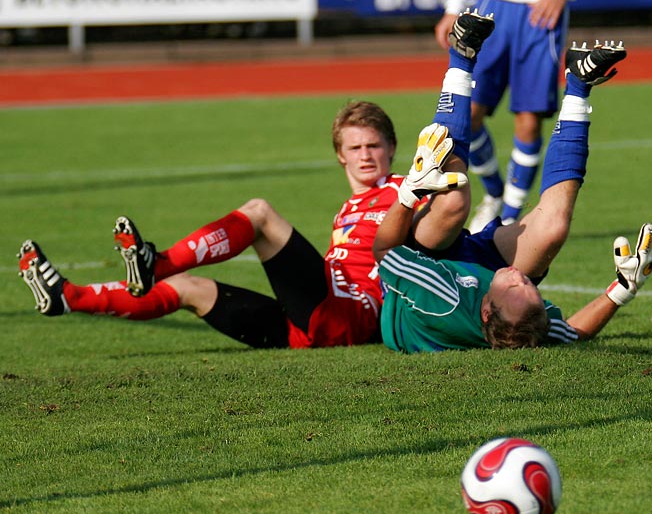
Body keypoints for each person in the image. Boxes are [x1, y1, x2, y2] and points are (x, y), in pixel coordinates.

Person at [18, 100, 464, 349]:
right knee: (190, 290)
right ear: (339, 155)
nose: (366, 155)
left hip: (352, 314)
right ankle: (68, 297)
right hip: (306, 328)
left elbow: (442, 217)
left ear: (392, 148)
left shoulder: (405, 188)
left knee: (260, 214)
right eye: (355, 147)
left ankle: (157, 262)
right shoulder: (347, 208)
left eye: (374, 145)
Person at [373, 11, 652, 352]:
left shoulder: (441, 297)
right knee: (553, 229)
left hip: (421, 261)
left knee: (453, 200)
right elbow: (574, 333)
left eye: (518, 287)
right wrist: (623, 289)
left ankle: (461, 52)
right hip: (479, 272)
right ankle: (578, 84)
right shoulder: (523, 318)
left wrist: (409, 194)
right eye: (534, 287)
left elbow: (384, 252)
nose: (523, 278)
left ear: (486, 311)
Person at [435, 0, 569, 233]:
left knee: (529, 122)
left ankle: (508, 217)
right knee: (469, 113)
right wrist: (453, 10)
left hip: (540, 12)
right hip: (493, 7)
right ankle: (494, 193)